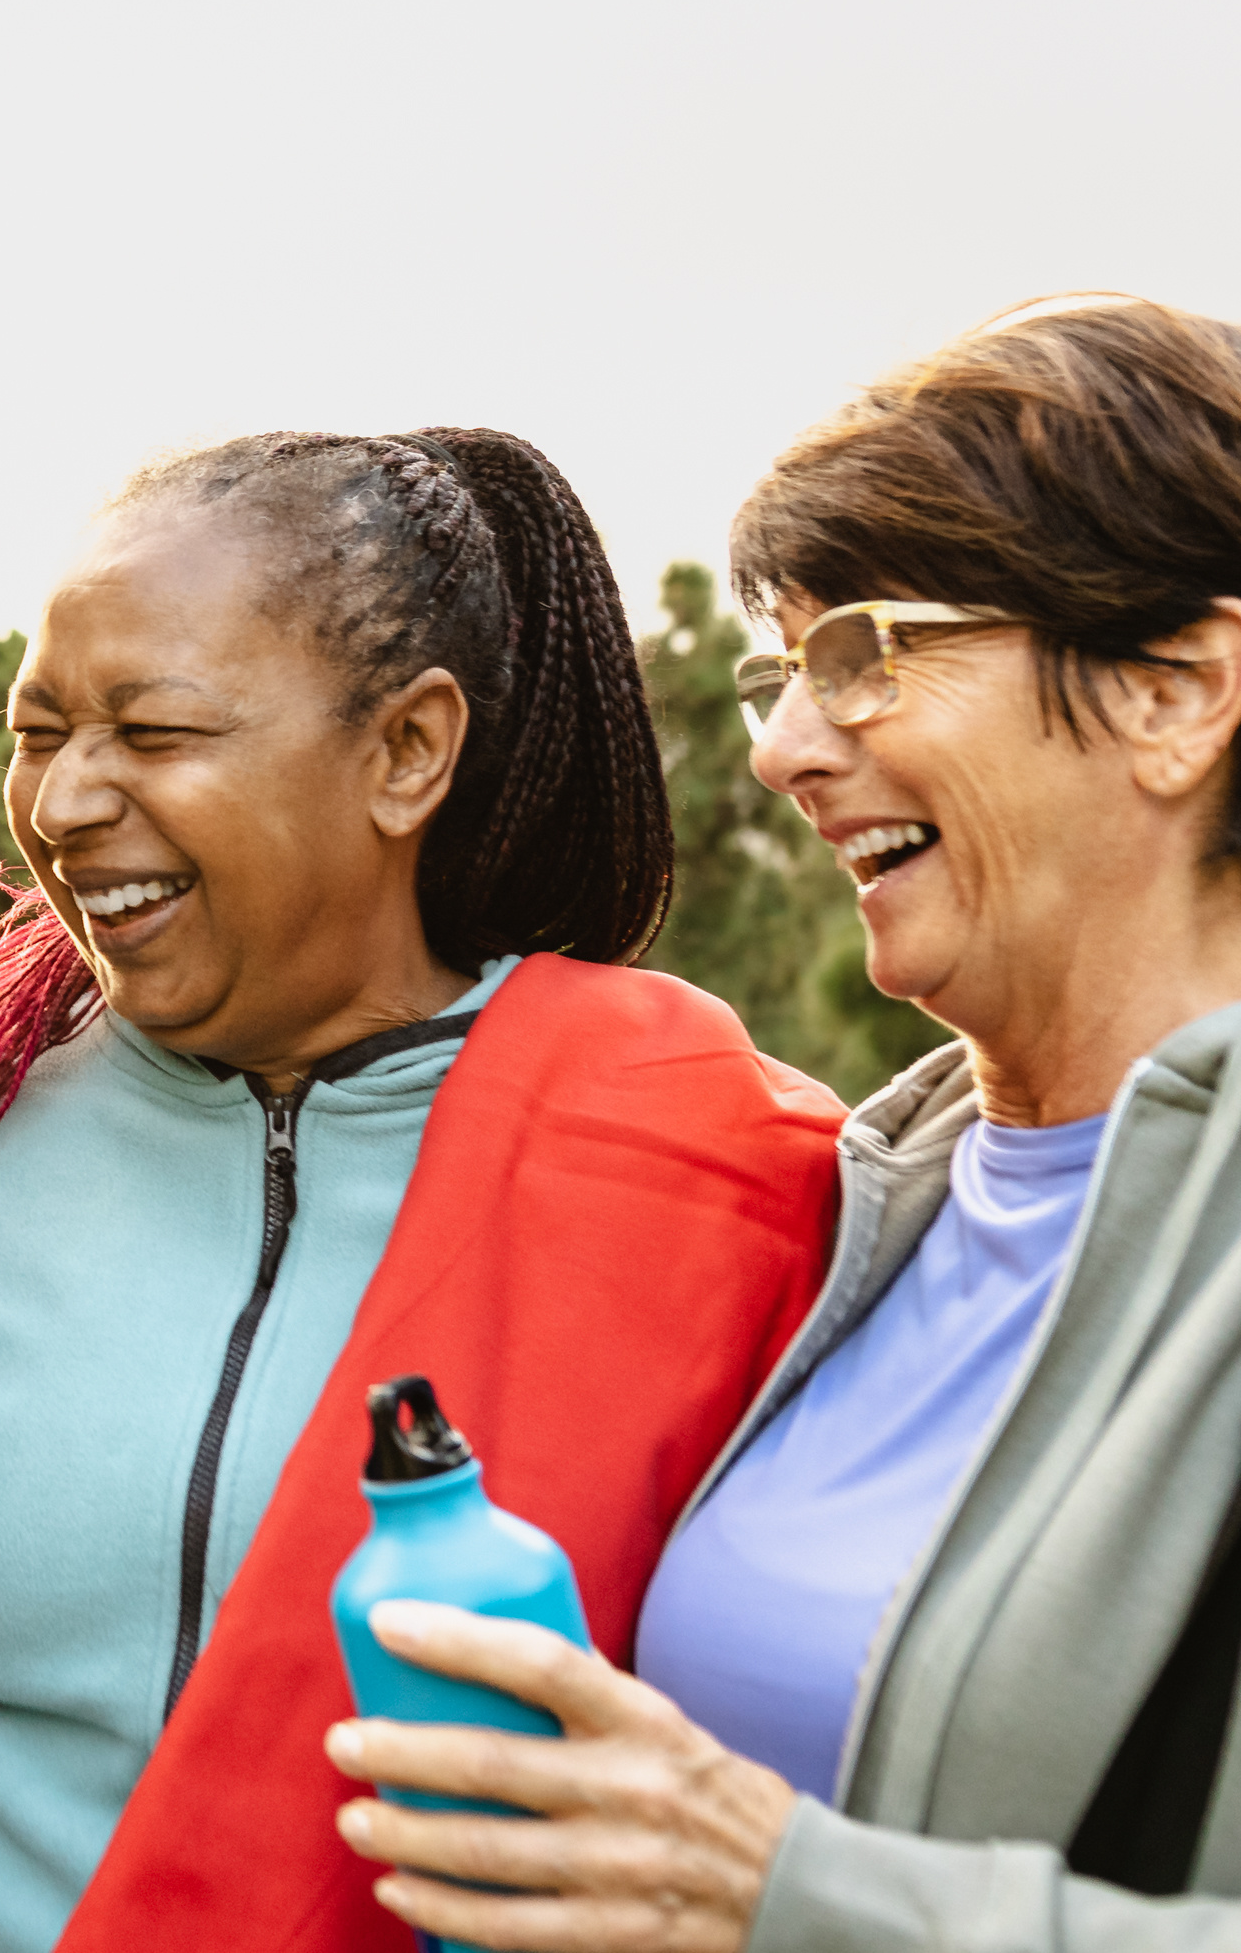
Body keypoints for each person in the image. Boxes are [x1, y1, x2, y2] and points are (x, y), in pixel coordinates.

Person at [0, 430, 847, 1953]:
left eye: (153, 729)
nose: (69, 798)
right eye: (43, 730)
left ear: (409, 750)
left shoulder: (716, 1173)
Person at [324, 296, 1241, 1950]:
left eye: (866, 654)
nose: (780, 746)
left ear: (1177, 690)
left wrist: (783, 1895)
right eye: (777, 670)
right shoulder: (865, 1201)